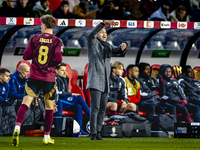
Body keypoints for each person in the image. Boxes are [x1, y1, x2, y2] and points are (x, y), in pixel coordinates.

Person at [11, 15, 63, 146]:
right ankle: (46, 136)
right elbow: (59, 59)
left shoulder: (34, 38)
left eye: (41, 25)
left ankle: (17, 128)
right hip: (49, 79)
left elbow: (26, 56)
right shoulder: (57, 41)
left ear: (44, 26)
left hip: (33, 77)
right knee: (49, 108)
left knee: (25, 103)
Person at [87, 20, 127, 140]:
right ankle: (93, 133)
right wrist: (103, 24)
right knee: (95, 108)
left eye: (105, 32)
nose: (104, 34)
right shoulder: (93, 43)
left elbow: (118, 51)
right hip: (95, 82)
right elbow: (90, 35)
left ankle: (99, 132)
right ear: (97, 34)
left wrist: (124, 46)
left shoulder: (108, 46)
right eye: (101, 32)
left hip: (105, 83)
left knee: (102, 109)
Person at [55, 62, 90, 135]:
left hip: (64, 100)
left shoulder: (63, 78)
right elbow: (58, 93)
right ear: (56, 70)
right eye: (62, 70)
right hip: (59, 100)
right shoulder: (54, 79)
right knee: (78, 97)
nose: (64, 72)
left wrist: (66, 80)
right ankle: (91, 115)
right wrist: (71, 94)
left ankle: (79, 130)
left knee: (78, 106)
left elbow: (66, 90)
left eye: (65, 70)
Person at [0, 68, 16, 136]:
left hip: (2, 103)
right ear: (1, 76)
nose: (9, 78)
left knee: (10, 107)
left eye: (9, 76)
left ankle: (11, 130)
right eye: (7, 76)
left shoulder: (6, 85)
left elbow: (5, 98)